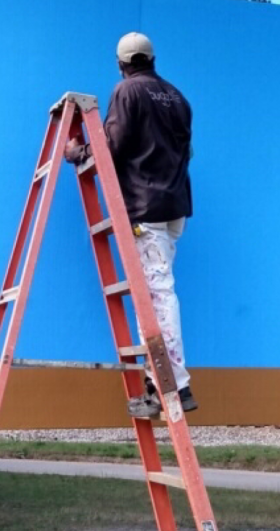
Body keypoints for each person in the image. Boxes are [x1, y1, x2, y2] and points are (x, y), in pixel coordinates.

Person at [65, 31, 196, 417]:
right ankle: (162, 383)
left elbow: (113, 146)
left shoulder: (127, 91)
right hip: (174, 207)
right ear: (152, 59)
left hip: (144, 208)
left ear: (121, 64)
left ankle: (175, 386)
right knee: (157, 292)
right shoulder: (178, 97)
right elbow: (187, 151)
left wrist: (78, 153)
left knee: (155, 297)